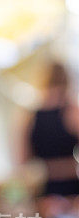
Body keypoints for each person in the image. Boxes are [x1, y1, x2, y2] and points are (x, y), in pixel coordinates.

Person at [25, 62, 79, 198]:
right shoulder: (72, 112)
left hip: (42, 192)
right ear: (66, 80)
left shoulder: (29, 117)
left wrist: (45, 170)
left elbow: (22, 160)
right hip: (71, 193)